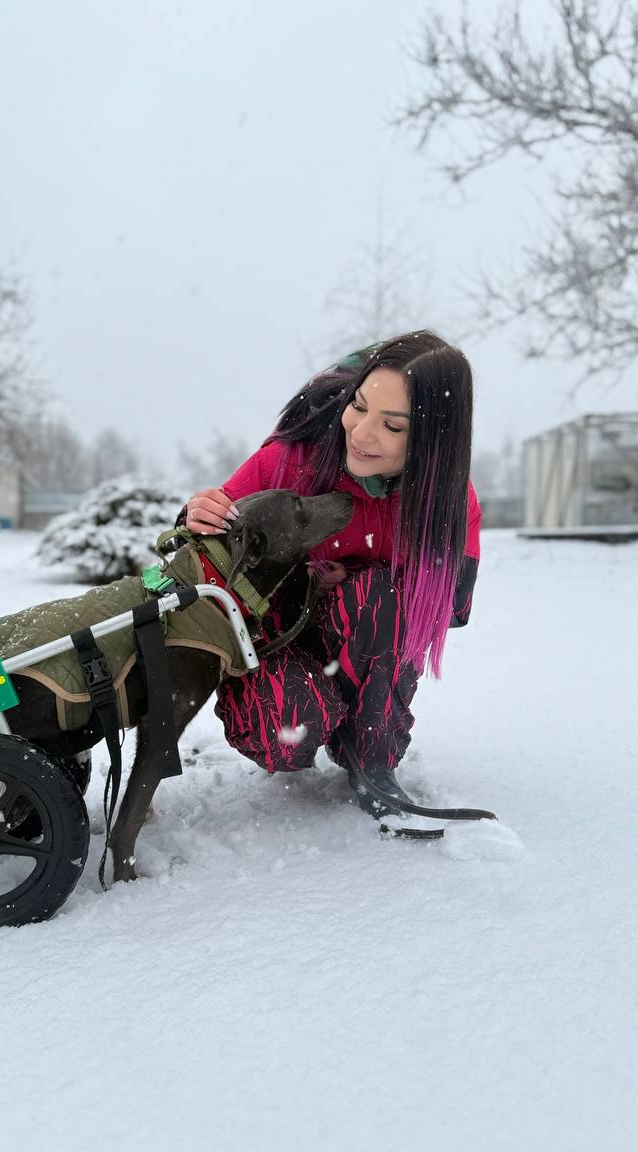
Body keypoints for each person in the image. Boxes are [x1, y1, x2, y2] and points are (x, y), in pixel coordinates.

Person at [182, 330, 481, 816]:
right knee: (286, 732)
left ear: (434, 439)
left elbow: (453, 608)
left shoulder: (447, 505)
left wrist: (363, 578)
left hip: (370, 647)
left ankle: (370, 754)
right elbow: (212, 552)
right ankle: (318, 711)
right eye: (358, 406)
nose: (361, 434)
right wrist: (199, 514)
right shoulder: (290, 462)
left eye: (393, 425)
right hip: (280, 639)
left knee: (379, 595)